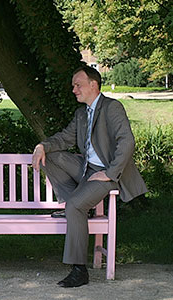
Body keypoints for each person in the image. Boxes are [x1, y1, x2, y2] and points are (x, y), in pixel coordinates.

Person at [32, 66, 147, 288]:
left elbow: (127, 142)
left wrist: (110, 172)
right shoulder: (81, 114)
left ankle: (79, 270)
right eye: (73, 85)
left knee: (75, 207)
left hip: (109, 174)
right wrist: (42, 145)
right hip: (87, 169)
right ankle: (73, 203)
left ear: (93, 85)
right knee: (52, 155)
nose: (74, 89)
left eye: (78, 85)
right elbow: (65, 138)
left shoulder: (112, 108)